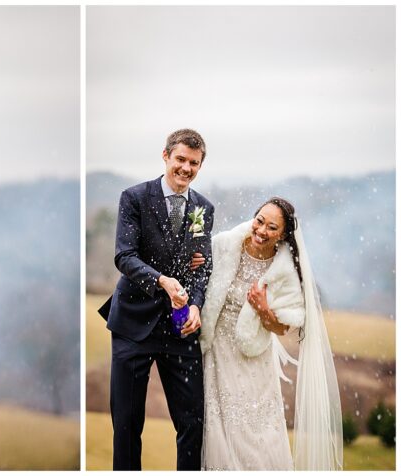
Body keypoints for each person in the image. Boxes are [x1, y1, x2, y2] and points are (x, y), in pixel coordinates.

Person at [98, 129, 215, 470]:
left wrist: (195, 304)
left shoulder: (202, 209)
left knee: (193, 423)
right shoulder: (134, 197)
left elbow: (201, 267)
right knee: (127, 424)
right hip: (133, 323)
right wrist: (162, 281)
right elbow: (124, 256)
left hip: (180, 329)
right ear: (165, 156)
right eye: (180, 159)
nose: (186, 168)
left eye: (194, 163)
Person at [199, 197, 343, 470]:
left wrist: (264, 310)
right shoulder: (224, 245)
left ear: (283, 235)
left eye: (272, 227)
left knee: (258, 430)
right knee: (219, 425)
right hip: (217, 351)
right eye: (260, 221)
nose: (262, 230)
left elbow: (285, 327)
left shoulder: (284, 271)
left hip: (255, 358)